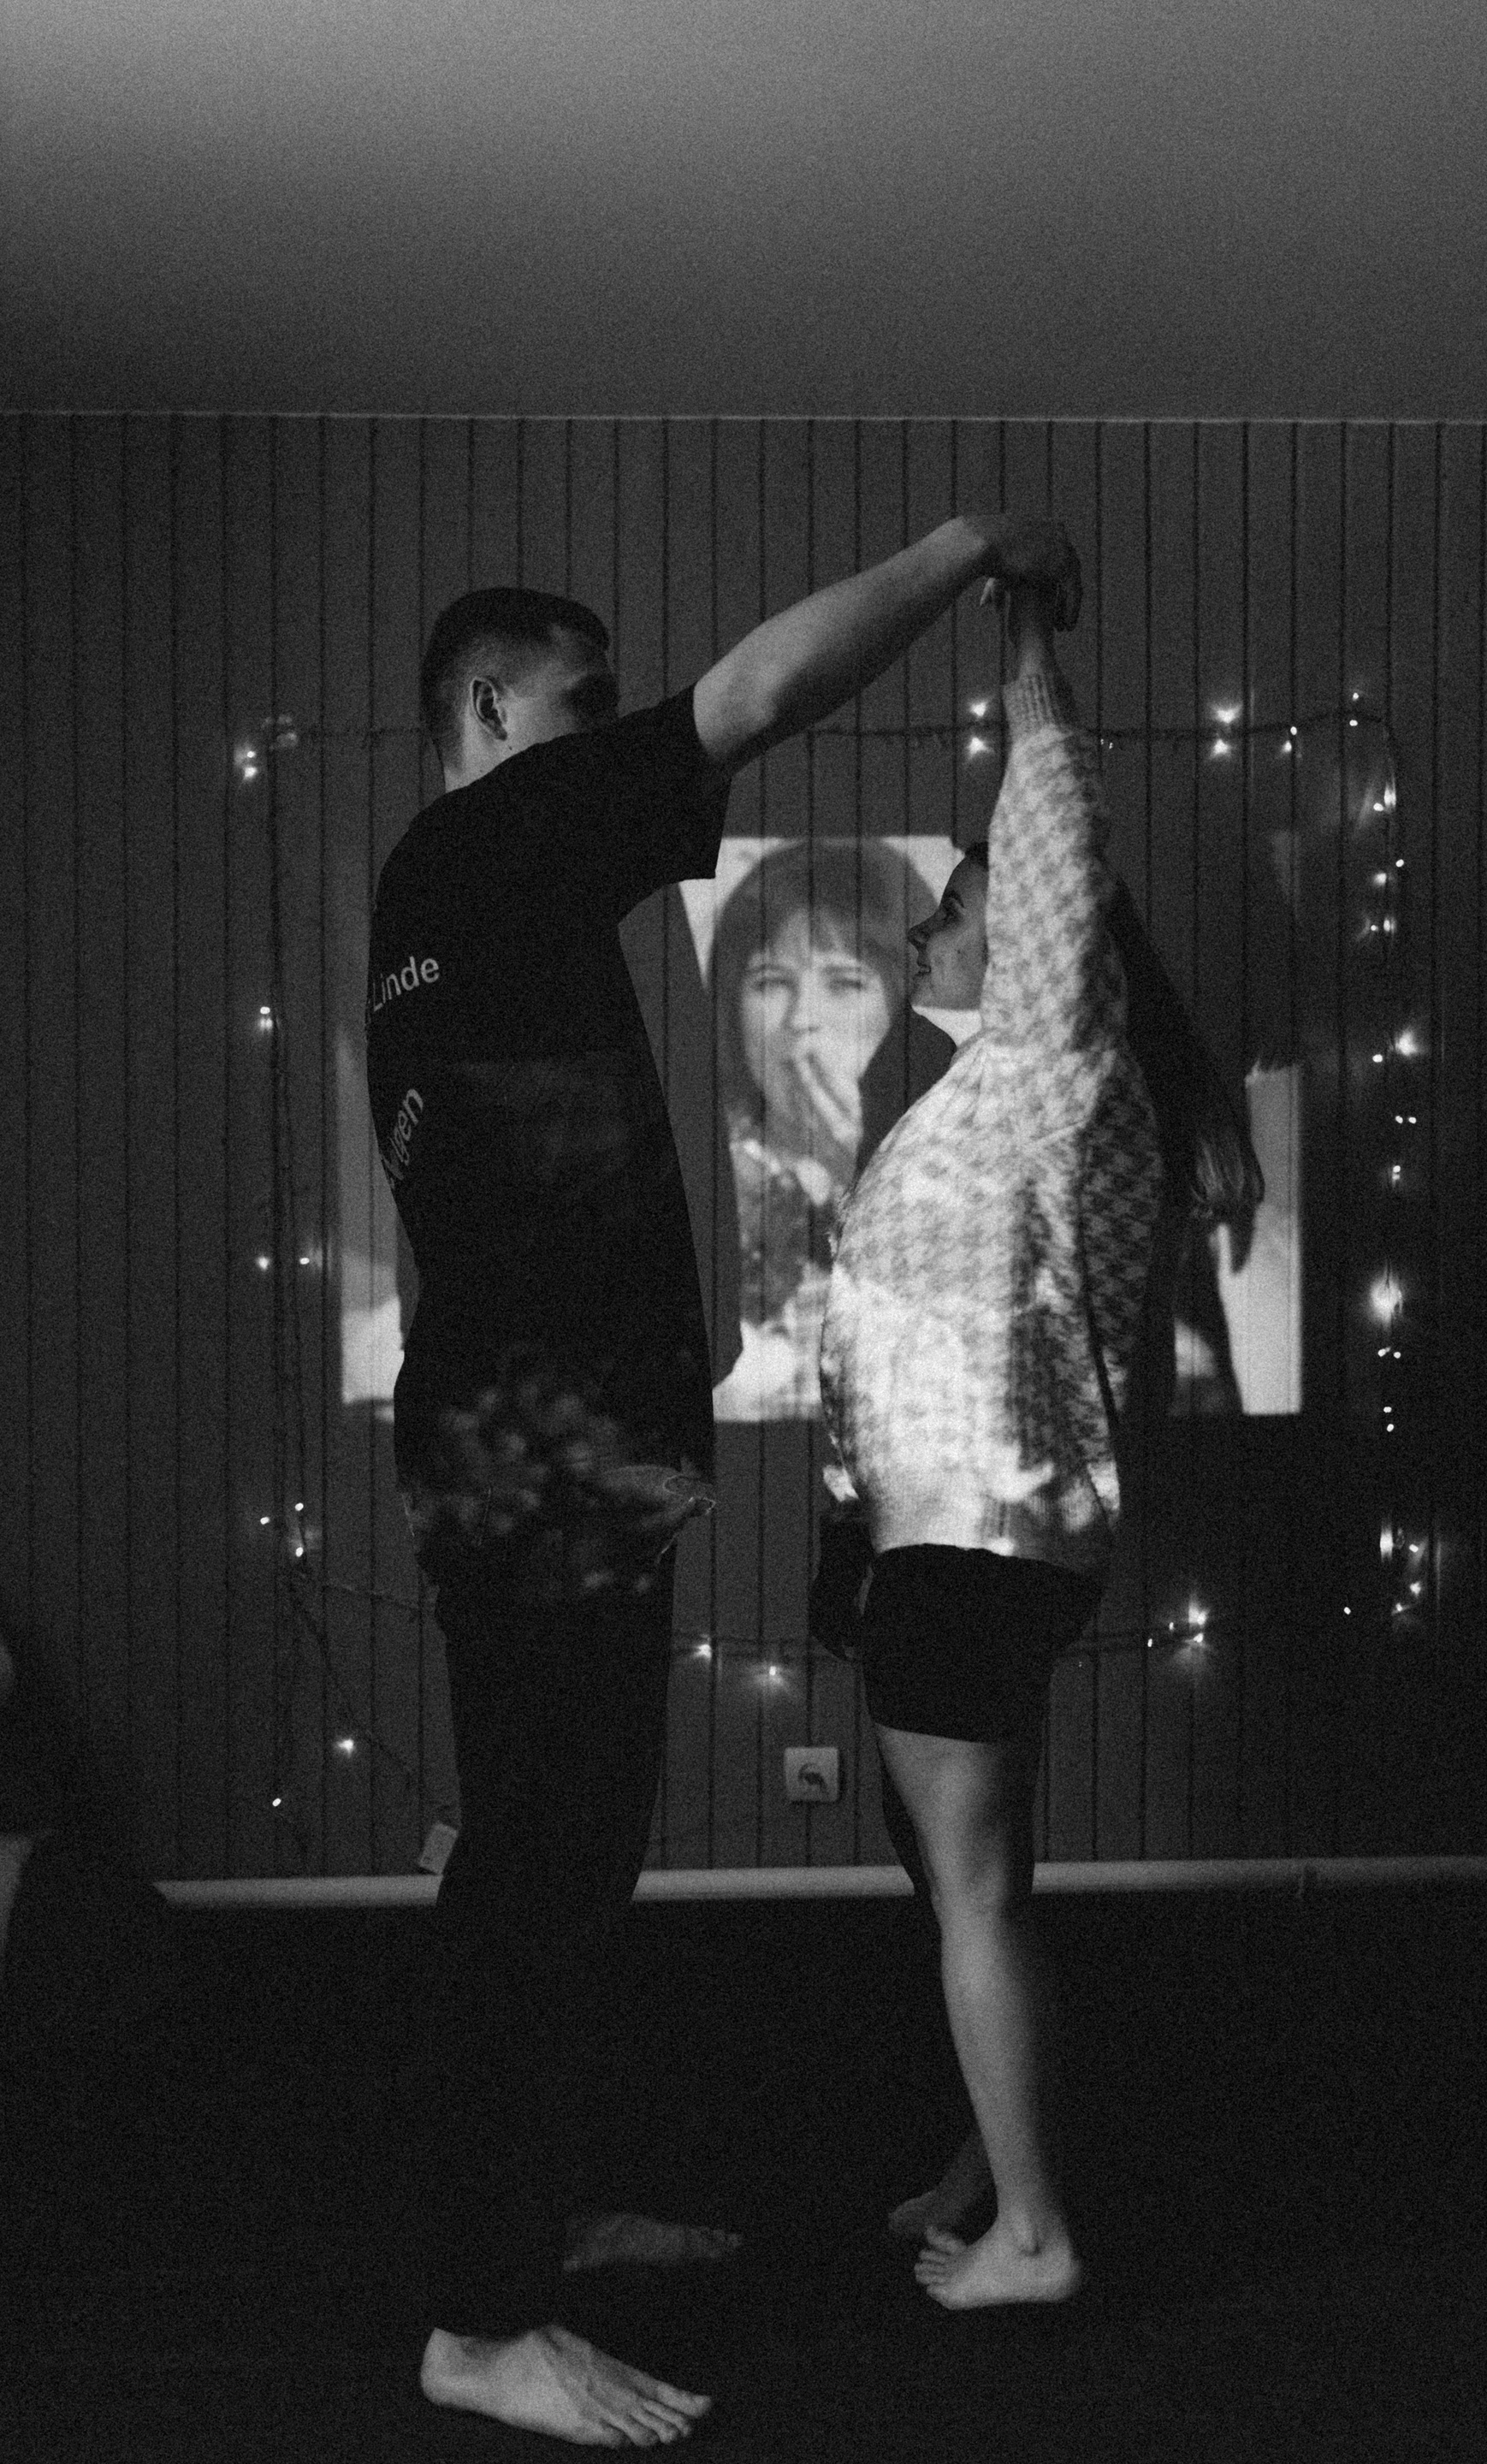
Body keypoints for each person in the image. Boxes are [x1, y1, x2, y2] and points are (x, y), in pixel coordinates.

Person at [366, 512, 1082, 2443]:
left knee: (562, 1858)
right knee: (539, 1870)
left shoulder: (457, 897)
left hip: (542, 1447)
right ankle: (479, 2323)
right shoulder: (495, 838)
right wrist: (966, 549)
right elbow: (758, 695)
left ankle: (525, 2223)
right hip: (543, 1457)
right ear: (493, 710)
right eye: (582, 700)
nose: (613, 732)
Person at [818, 578, 1164, 2311]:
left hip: (976, 1532)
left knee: (967, 1886)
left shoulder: (1046, 1054)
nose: (925, 934)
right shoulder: (974, 1101)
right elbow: (878, 1342)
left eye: (954, 912)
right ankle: (990, 2156)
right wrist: (845, 1538)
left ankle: (1034, 2234)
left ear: (1021, 936)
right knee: (977, 1876)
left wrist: (1029, 666)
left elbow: (1051, 846)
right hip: (945, 1534)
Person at [709, 839, 933, 1419]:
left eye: (845, 982)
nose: (801, 1019)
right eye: (770, 982)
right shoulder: (700, 1167)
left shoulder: (961, 1161)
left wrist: (862, 1178)